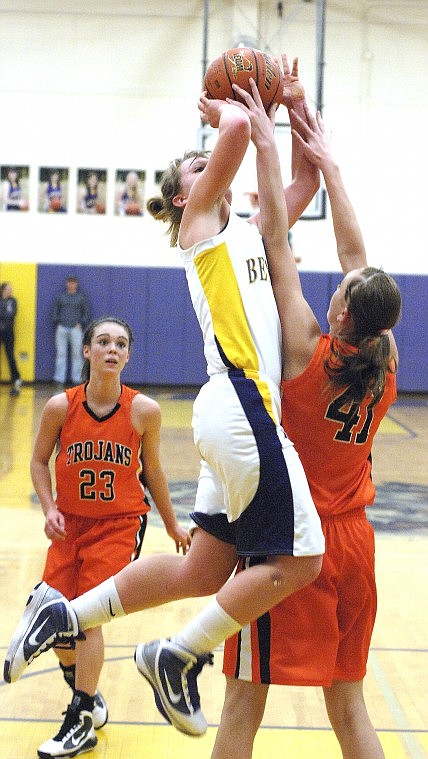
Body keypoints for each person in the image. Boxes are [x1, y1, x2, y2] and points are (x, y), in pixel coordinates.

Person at [3, 53, 325, 740]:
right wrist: (232, 110)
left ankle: (66, 613)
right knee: (302, 559)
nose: (210, 169)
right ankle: (177, 654)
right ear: (187, 195)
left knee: (203, 567)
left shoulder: (259, 230)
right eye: (198, 168)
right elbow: (238, 135)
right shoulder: (201, 223)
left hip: (229, 408)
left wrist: (293, 103)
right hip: (243, 403)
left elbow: (304, 174)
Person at [212, 99, 402, 759]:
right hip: (356, 546)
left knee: (243, 701)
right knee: (348, 705)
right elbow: (356, 253)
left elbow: (276, 240)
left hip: (293, 543)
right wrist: (328, 165)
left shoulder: (305, 347)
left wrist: (270, 142)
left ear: (344, 306)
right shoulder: (387, 363)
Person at [29, 316, 190, 759]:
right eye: (103, 342)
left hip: (119, 525)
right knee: (58, 625)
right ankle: (85, 690)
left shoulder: (144, 412)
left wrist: (173, 524)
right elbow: (39, 462)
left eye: (121, 343)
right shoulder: (60, 407)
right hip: (70, 525)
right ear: (87, 352)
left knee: (85, 618)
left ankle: (80, 717)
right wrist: (49, 508)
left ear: (128, 355)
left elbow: (152, 471)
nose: (112, 349)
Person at [52, 275, 91, 387]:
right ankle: (59, 379)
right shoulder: (61, 297)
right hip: (62, 328)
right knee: (61, 354)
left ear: (76, 284)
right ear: (67, 284)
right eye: (69, 282)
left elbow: (86, 312)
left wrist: (81, 322)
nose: (71, 284)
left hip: (75, 329)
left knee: (77, 354)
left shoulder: (81, 297)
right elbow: (55, 310)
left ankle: (77, 379)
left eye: (73, 282)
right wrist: (58, 321)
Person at [0, 282, 22, 396]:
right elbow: (5, 314)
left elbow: (11, 314)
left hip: (8, 332)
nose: (10, 290)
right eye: (8, 289)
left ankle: (16, 379)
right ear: (3, 290)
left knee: (10, 355)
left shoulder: (12, 301)